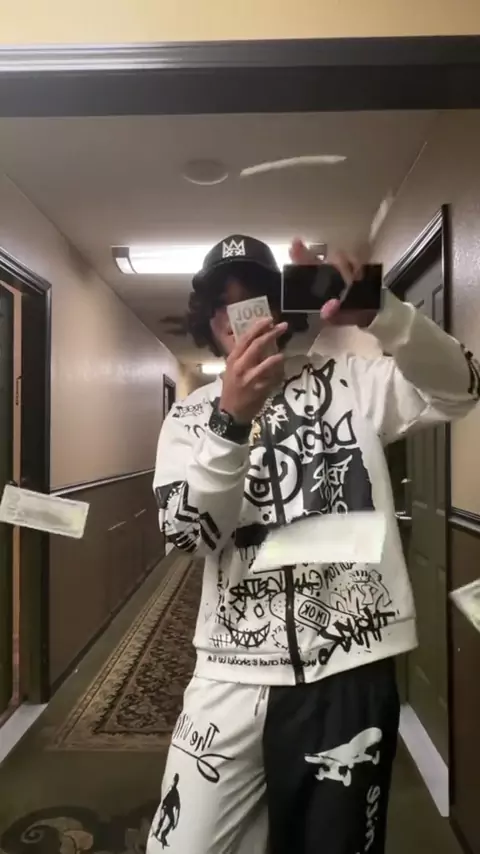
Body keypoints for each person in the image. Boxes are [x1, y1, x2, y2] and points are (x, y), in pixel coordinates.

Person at [147, 234, 480, 854]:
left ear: (279, 308)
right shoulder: (189, 418)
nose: (239, 317)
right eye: (223, 306)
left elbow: (461, 387)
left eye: (253, 298)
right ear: (209, 322)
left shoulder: (349, 382)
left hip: (350, 666)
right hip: (228, 672)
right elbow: (186, 535)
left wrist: (386, 315)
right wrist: (229, 422)